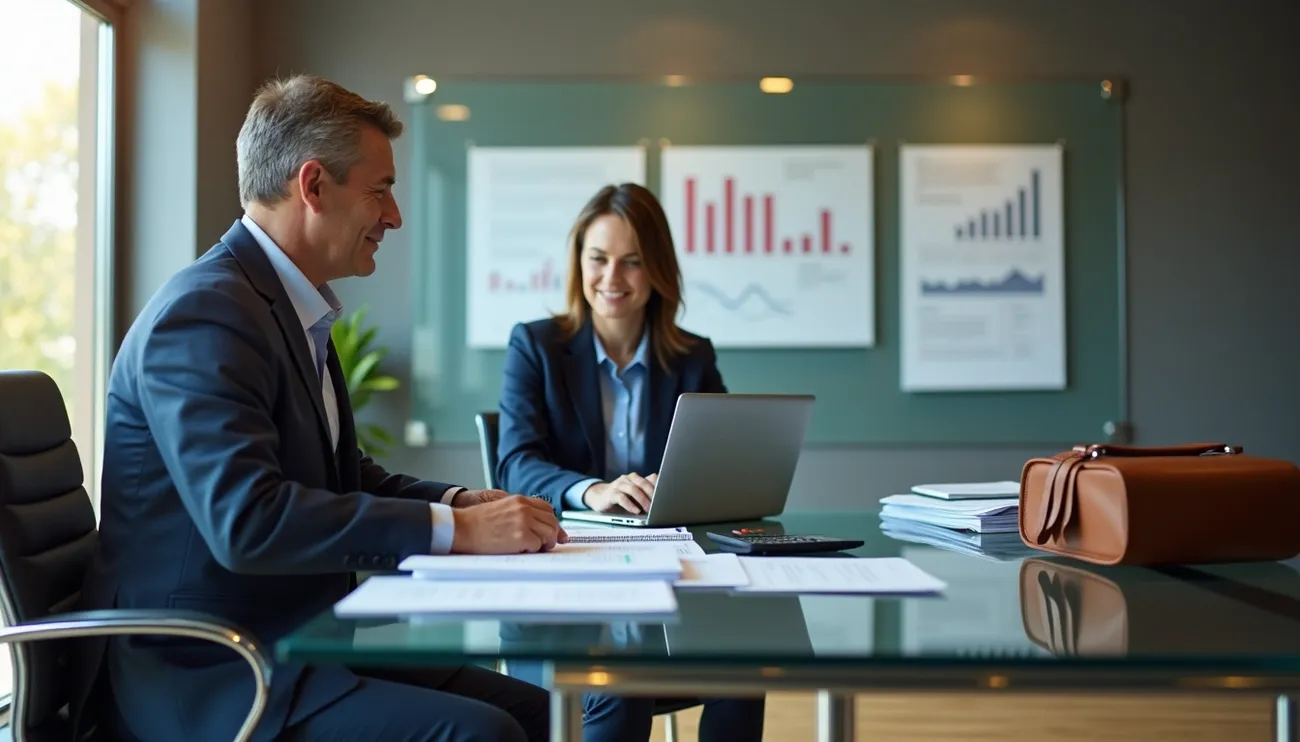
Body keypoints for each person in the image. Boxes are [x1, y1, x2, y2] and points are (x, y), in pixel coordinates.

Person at [70, 74, 563, 742]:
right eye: (380, 190)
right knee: (484, 734)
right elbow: (249, 520)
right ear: (313, 186)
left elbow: (338, 476)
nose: (394, 216)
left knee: (544, 713)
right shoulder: (205, 315)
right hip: (208, 670)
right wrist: (459, 533)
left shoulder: (283, 307)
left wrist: (458, 504)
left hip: (295, 643)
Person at [495, 182, 766, 742]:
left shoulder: (692, 357)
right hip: (566, 576)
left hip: (671, 579)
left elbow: (720, 466)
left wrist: (684, 483)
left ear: (657, 270)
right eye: (598, 258)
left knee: (744, 667)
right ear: (579, 263)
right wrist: (591, 490)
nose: (612, 277)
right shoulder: (535, 346)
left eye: (632, 261)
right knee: (618, 678)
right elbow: (515, 464)